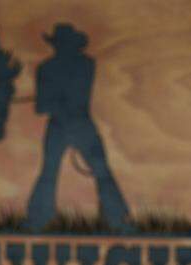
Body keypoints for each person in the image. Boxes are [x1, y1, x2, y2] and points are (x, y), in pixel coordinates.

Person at [26, 23, 130, 230]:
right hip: (71, 125)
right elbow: (41, 107)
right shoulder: (69, 66)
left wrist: (50, 101)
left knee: (98, 169)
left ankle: (116, 219)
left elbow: (45, 105)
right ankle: (39, 219)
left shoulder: (63, 67)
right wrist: (49, 102)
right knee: (51, 171)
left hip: (76, 124)